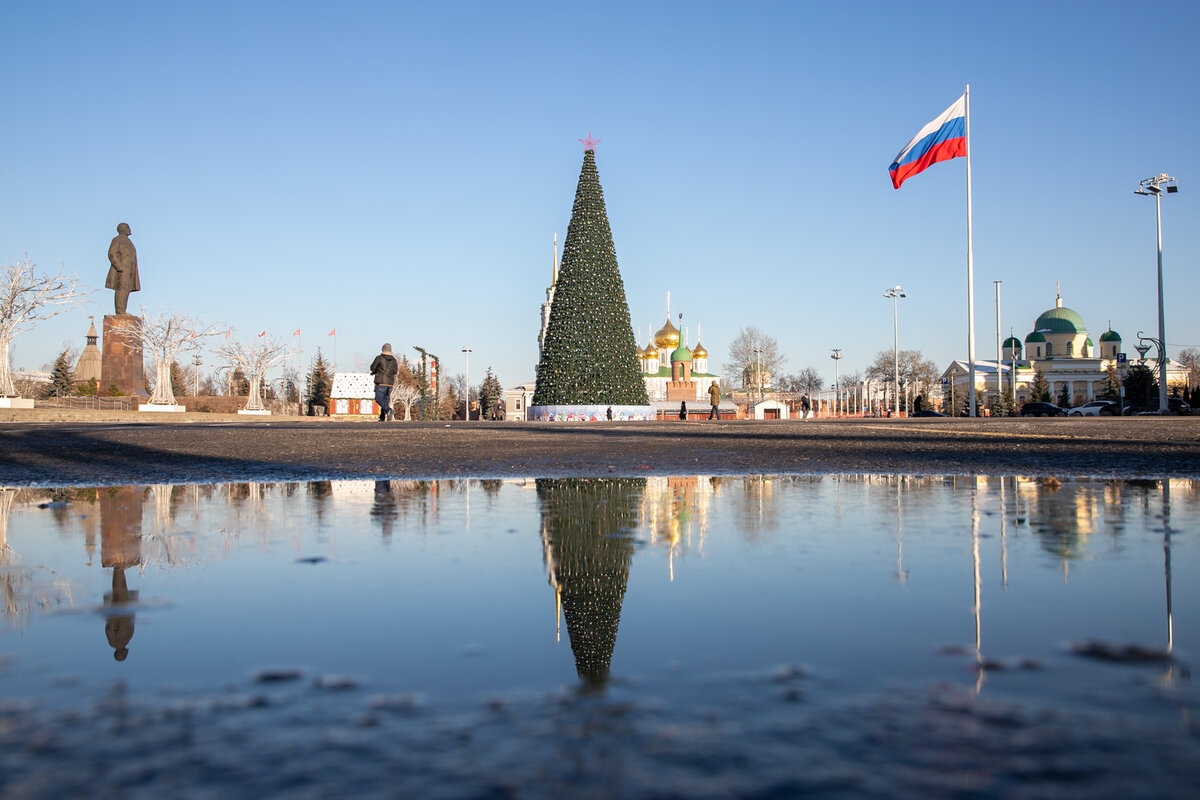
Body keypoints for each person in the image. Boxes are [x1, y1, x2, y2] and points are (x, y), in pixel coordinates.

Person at [105, 222, 140, 315]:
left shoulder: (128, 241)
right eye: (127, 227)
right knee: (122, 289)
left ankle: (122, 310)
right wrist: (120, 267)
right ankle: (120, 311)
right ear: (121, 229)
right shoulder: (117, 239)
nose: (129, 229)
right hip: (122, 270)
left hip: (130, 270)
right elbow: (112, 254)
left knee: (126, 290)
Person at [370, 343, 399, 421]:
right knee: (385, 400)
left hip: (381, 381)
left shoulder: (379, 358)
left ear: (382, 349)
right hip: (390, 383)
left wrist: (376, 371)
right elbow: (395, 371)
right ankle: (382, 417)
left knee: (378, 399)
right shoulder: (394, 360)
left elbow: (372, 368)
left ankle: (388, 410)